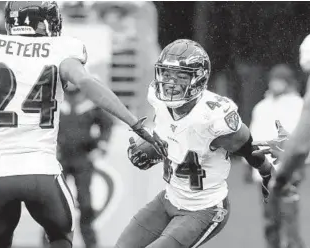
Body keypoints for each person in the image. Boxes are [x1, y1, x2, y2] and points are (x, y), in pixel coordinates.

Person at [0, 2, 167, 248]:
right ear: (42, 21)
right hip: (41, 172)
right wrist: (134, 124)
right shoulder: (61, 48)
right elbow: (85, 82)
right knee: (61, 239)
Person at [116, 39, 275, 248]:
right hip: (169, 198)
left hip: (205, 208)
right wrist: (152, 147)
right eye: (167, 75)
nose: (171, 83)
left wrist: (267, 172)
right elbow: (172, 136)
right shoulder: (158, 100)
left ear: (199, 79)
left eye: (181, 76)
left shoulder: (212, 117)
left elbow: (246, 146)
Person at [253, 34, 310, 248]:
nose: (276, 84)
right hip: (265, 171)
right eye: (273, 79)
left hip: (288, 170)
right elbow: (255, 135)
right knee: (270, 219)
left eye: (280, 79)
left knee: (289, 217)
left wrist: (297, 166)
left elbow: (301, 139)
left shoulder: (297, 103)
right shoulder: (262, 106)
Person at [42, 84, 114, 248]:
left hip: (82, 158)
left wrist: (101, 145)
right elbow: (41, 125)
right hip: (59, 159)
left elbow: (107, 123)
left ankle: (91, 243)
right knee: (53, 202)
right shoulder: (55, 104)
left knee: (85, 203)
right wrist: (48, 147)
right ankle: (48, 242)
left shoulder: (90, 105)